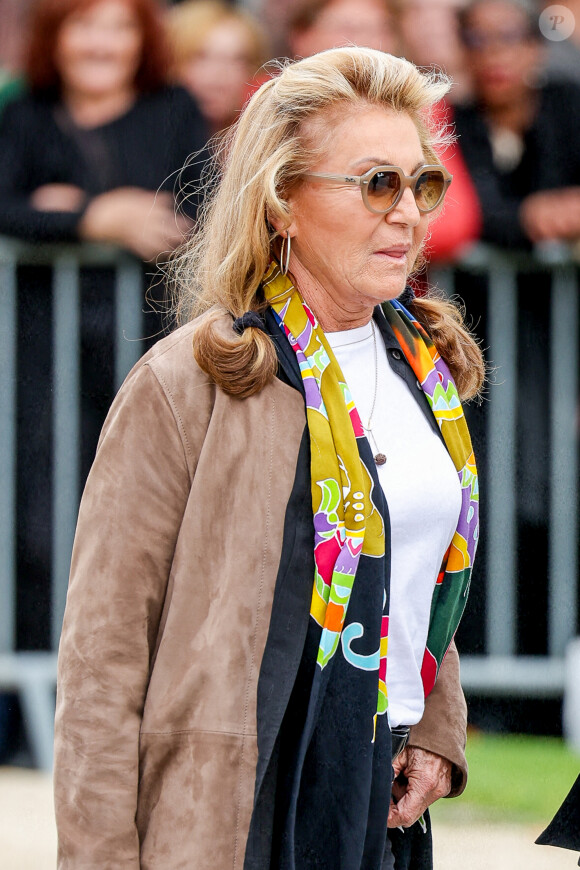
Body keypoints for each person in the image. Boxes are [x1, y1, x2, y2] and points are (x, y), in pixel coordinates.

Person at [54, 47, 485, 869]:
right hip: (235, 811)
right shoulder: (188, 382)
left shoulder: (424, 371)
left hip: (379, 805)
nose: (407, 213)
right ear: (282, 200)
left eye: (420, 184)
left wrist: (436, 726)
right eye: (376, 183)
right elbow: (103, 663)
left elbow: (402, 569)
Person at [0, 0, 208, 651]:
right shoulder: (24, 113)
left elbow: (196, 215)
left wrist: (65, 205)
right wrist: (97, 216)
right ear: (55, 38)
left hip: (144, 351)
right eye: (83, 25)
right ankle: (41, 706)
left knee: (148, 521)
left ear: (142, 40)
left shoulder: (174, 110)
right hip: (41, 357)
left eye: (118, 27)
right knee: (41, 529)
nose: (100, 43)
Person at [166, 0, 269, 134]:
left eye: (236, 59)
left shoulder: (267, 139)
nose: (220, 72)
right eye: (202, 57)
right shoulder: (149, 135)